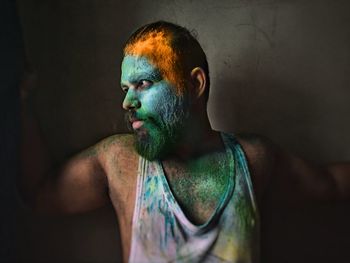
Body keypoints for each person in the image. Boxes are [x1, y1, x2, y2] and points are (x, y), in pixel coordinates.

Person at [20, 21, 350, 263]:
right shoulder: (119, 160)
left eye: (143, 83)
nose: (126, 103)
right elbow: (41, 194)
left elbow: (332, 185)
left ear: (194, 84)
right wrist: (19, 97)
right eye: (125, 89)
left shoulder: (252, 159)